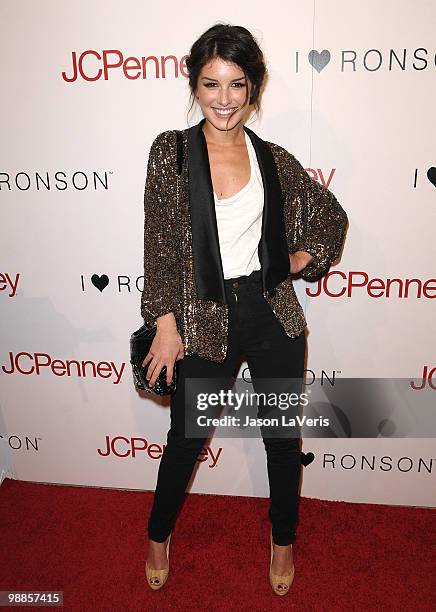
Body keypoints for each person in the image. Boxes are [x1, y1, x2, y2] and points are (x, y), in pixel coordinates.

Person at [141, 23, 348, 595]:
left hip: (271, 313)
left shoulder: (273, 159)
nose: (223, 98)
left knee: (283, 438)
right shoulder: (171, 153)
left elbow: (331, 218)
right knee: (186, 437)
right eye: (211, 83)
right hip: (203, 317)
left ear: (253, 88)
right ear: (194, 84)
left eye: (237, 84)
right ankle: (158, 534)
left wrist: (298, 259)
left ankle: (283, 541)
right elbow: (158, 244)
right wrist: (165, 323)